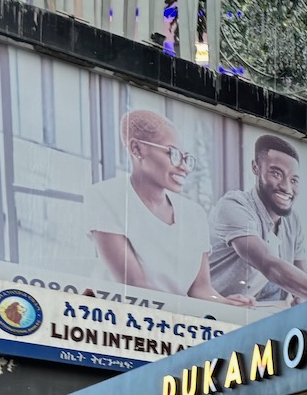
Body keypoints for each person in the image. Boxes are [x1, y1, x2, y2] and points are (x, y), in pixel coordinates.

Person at [87, 110, 254, 308]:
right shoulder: (106, 196)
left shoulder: (194, 213)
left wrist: (225, 303)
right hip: (117, 319)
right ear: (136, 148)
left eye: (186, 158)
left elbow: (200, 289)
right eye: (172, 153)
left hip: (175, 321)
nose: (184, 167)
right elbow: (135, 287)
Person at [208, 134, 307, 304]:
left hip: (254, 312)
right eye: (276, 174)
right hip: (208, 312)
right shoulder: (233, 205)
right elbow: (268, 264)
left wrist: (302, 299)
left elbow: (302, 282)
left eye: (294, 180)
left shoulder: (292, 221)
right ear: (256, 167)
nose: (287, 187)